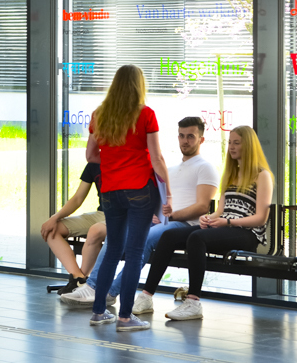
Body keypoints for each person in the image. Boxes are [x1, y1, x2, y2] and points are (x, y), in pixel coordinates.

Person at [61, 116, 219, 307]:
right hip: (160, 221)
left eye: (191, 136)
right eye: (181, 136)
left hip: (183, 225)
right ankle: (93, 286)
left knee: (142, 239)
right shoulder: (171, 168)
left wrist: (169, 216)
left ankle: (110, 292)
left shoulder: (205, 167)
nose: (185, 141)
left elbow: (202, 207)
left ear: (201, 139)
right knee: (116, 232)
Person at [133, 125, 274, 321]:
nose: (232, 147)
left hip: (247, 233)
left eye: (237, 143)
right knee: (169, 235)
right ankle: (146, 295)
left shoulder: (262, 175)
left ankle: (193, 302)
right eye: (230, 142)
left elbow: (261, 218)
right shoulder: (231, 174)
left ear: (248, 146)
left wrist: (228, 222)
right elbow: (220, 210)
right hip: (226, 227)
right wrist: (210, 218)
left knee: (197, 237)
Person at [86, 64, 172, 331]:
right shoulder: (145, 114)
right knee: (134, 253)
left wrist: (114, 162)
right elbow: (156, 158)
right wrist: (167, 191)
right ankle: (124, 317)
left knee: (113, 249)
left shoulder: (99, 115)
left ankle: (99, 312)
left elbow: (91, 156)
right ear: (139, 85)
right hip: (139, 190)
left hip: (110, 191)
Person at [40, 162, 106, 295]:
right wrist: (54, 218)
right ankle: (78, 278)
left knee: (95, 230)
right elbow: (77, 199)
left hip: (122, 216)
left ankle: (80, 284)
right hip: (101, 214)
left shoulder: (126, 160)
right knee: (52, 229)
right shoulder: (94, 164)